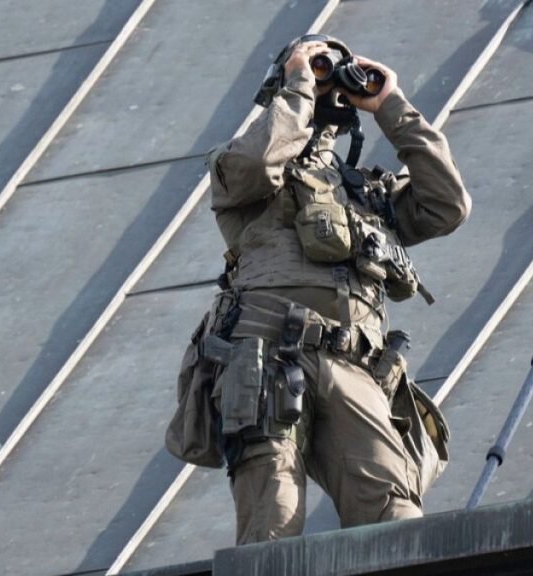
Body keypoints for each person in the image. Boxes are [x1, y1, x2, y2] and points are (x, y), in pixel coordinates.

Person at [201, 34, 469, 544]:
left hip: (355, 367)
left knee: (396, 518)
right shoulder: (238, 168)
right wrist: (300, 82)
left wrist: (391, 105)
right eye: (319, 67)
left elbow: (447, 205)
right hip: (268, 360)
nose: (328, 80)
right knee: (273, 522)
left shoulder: (366, 191)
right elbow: (262, 161)